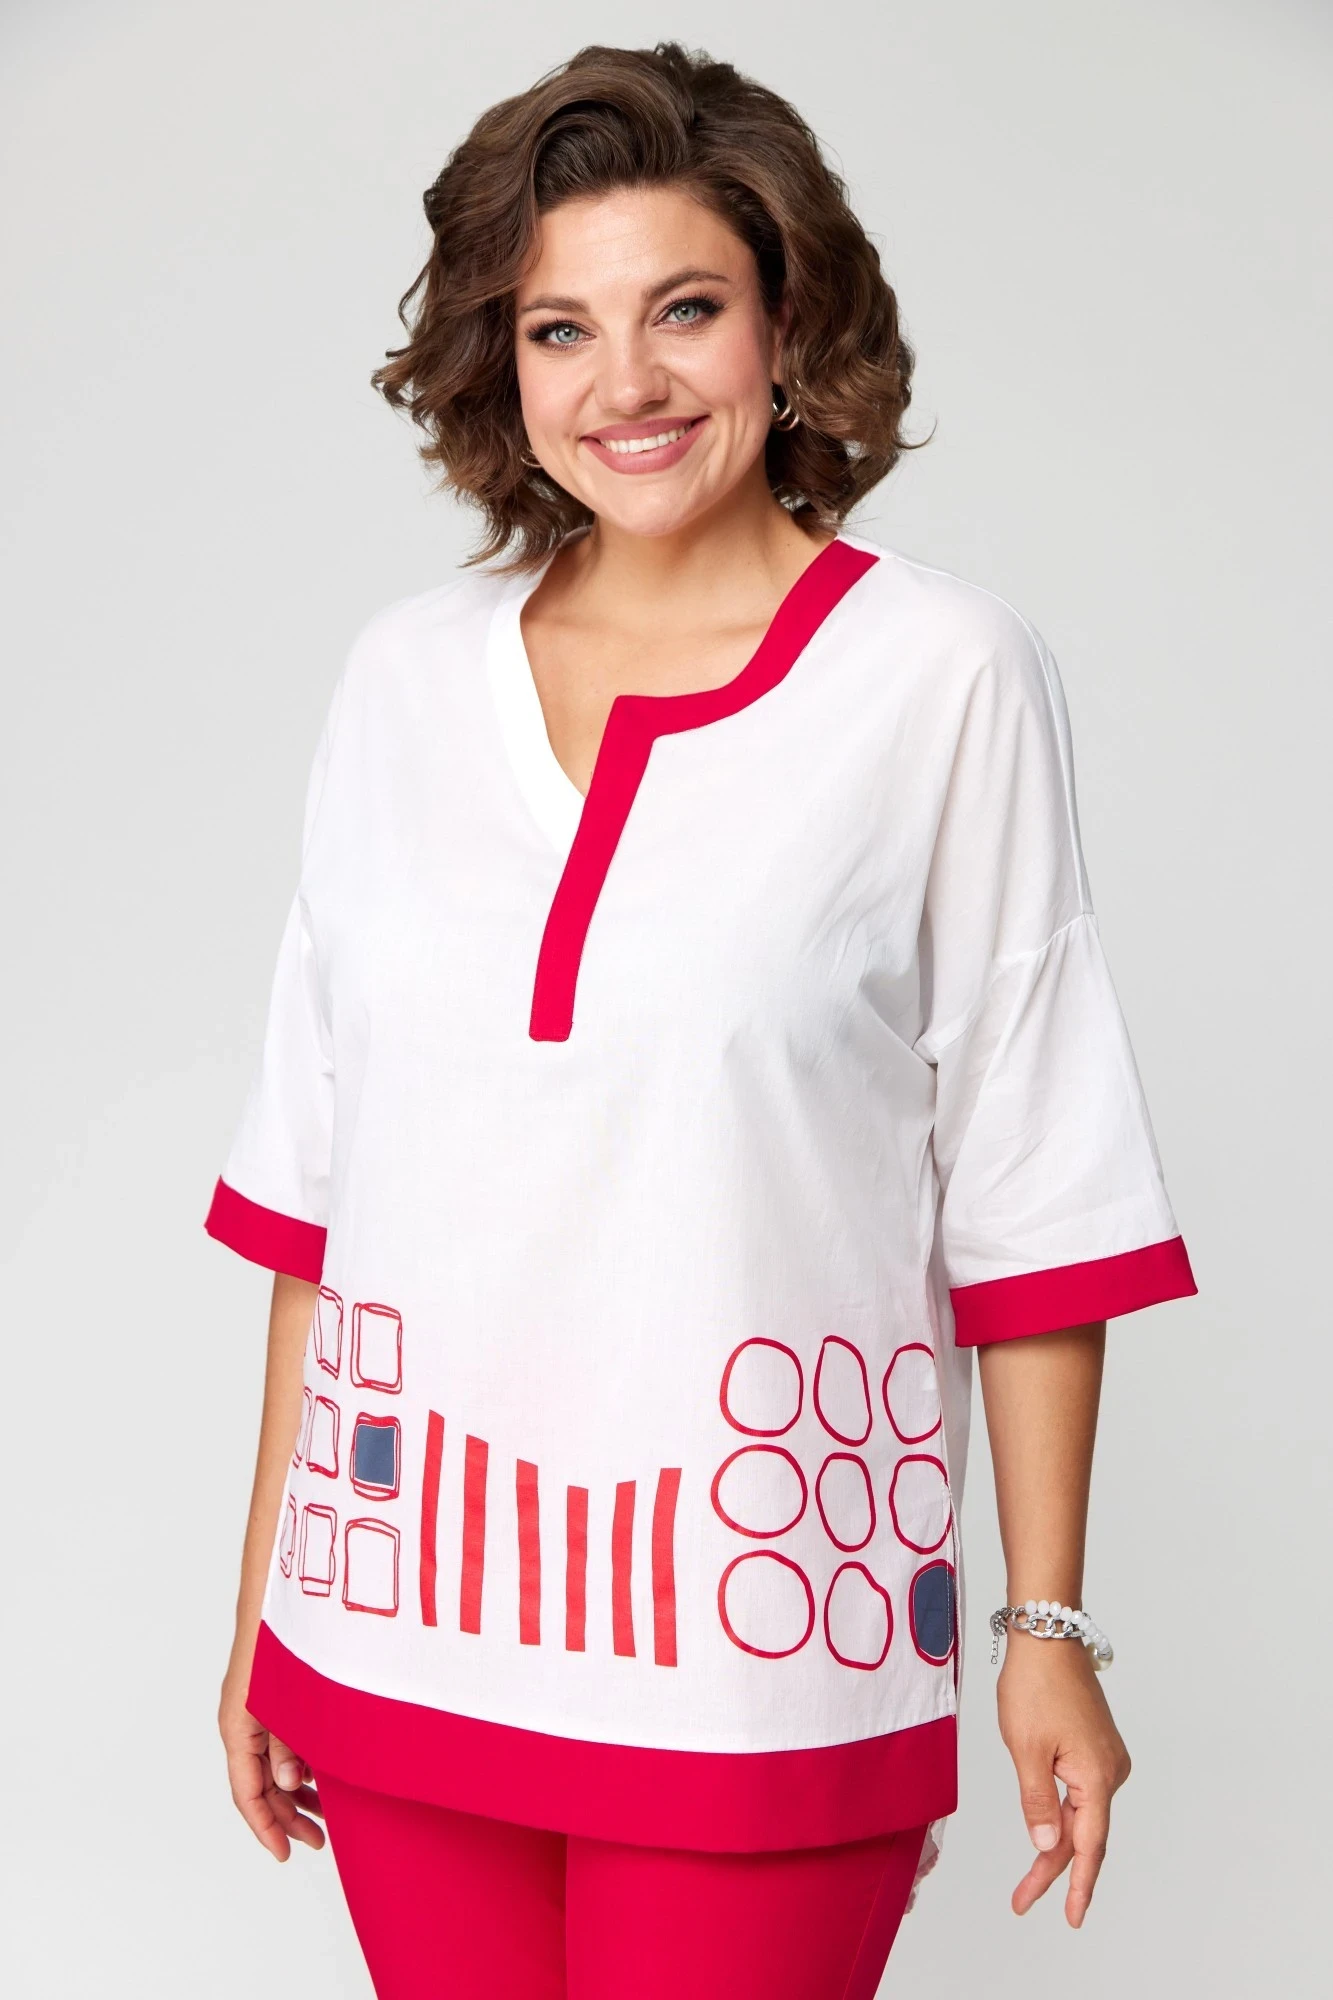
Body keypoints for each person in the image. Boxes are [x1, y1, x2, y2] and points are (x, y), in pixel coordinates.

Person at [208, 40, 1197, 2000]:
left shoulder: (943, 677)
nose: (626, 385)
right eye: (558, 329)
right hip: (396, 1635)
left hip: (761, 1657)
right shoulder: (401, 684)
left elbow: (1033, 1180)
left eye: (684, 310)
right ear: (500, 367)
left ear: (787, 322)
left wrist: (1047, 1627)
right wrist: (263, 1614)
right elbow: (323, 1200)